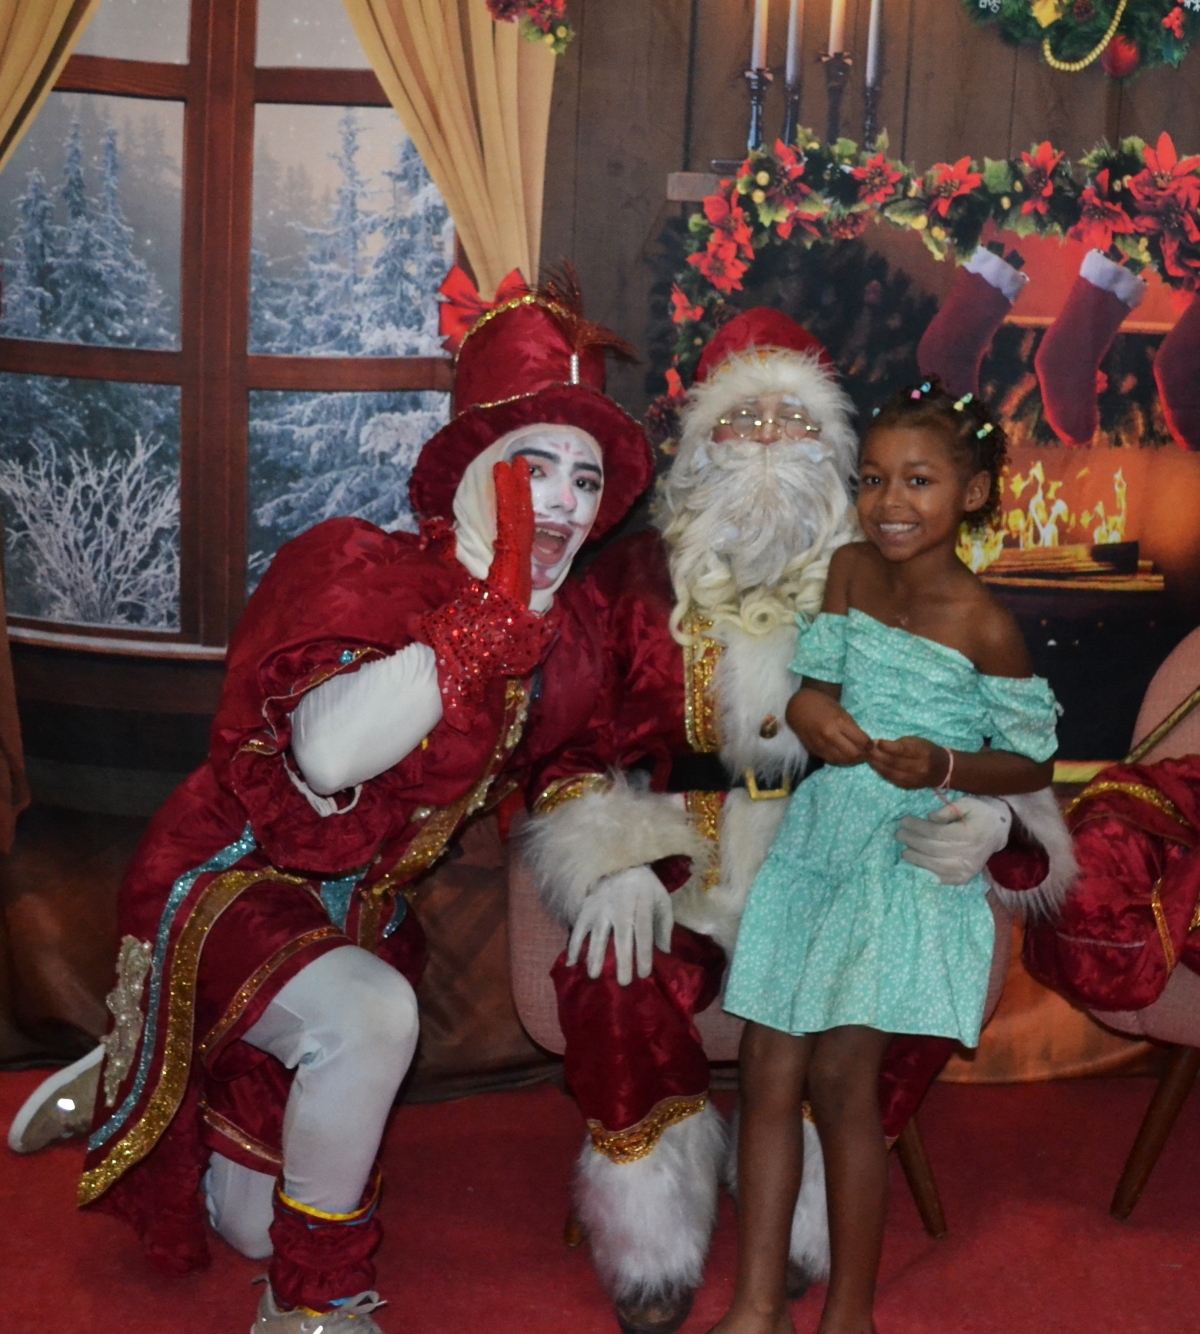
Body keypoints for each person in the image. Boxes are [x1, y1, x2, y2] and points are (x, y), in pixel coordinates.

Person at [7, 271, 653, 1334]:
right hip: (232, 879)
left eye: (585, 479)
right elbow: (324, 754)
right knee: (370, 1014)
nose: (564, 503)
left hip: (358, 914)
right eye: (533, 467)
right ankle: (313, 1304)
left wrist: (620, 858)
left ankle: (157, 1057)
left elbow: (569, 759)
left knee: (252, 1220)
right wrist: (481, 624)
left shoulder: (568, 635)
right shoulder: (361, 571)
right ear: (473, 474)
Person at [522, 314, 1076, 1334]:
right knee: (617, 978)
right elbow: (565, 746)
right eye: (746, 419)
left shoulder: (884, 570)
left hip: (855, 858)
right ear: (702, 442)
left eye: (796, 419)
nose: (771, 438)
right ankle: (655, 1240)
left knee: (854, 1051)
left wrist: (998, 820)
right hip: (684, 865)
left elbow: (1007, 746)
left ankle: (816, 1242)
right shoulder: (629, 582)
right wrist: (612, 860)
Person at [713, 381, 1061, 1334]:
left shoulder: (985, 622)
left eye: (918, 480)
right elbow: (817, 688)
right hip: (822, 837)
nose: (890, 502)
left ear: (972, 494)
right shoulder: (850, 572)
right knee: (765, 1063)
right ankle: (756, 1307)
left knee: (841, 1081)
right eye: (872, 480)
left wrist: (945, 763)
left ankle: (850, 1316)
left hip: (903, 857)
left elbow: (1032, 759)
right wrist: (810, 711)